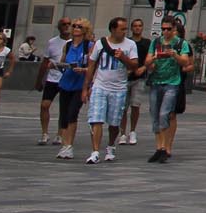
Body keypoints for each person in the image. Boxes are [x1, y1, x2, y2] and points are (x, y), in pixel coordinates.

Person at [82, 17, 139, 164]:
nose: (125, 31)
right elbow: (91, 66)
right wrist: (86, 88)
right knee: (96, 119)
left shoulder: (130, 44)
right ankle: (95, 151)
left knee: (114, 123)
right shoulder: (100, 44)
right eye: (122, 29)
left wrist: (123, 58)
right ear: (113, 29)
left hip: (119, 88)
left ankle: (111, 145)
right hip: (100, 86)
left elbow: (134, 66)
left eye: (126, 29)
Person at [140, 17, 193, 163]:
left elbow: (186, 62)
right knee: (155, 115)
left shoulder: (181, 43)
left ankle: (165, 147)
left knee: (165, 113)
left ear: (174, 29)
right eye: (163, 29)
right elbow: (146, 62)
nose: (165, 32)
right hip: (156, 81)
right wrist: (155, 58)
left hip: (172, 82)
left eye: (168, 29)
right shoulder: (156, 42)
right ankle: (159, 147)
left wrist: (173, 54)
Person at [53, 19, 94, 160]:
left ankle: (69, 145)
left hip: (80, 84)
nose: (76, 28)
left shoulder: (89, 45)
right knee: (63, 115)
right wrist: (58, 65)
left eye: (79, 26)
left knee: (72, 113)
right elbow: (63, 61)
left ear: (85, 30)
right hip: (66, 82)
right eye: (74, 26)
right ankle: (64, 145)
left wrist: (84, 70)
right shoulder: (68, 44)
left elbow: (93, 66)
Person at [38, 17, 72, 145]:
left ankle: (60, 134)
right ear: (59, 27)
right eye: (64, 24)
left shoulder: (73, 43)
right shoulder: (52, 42)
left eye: (69, 24)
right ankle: (44, 133)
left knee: (64, 108)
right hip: (52, 79)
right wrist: (39, 80)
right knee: (44, 105)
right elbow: (45, 62)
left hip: (66, 78)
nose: (66, 26)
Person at [121, 17, 147, 145]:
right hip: (125, 77)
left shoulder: (146, 43)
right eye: (135, 26)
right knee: (123, 107)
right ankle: (122, 133)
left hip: (139, 78)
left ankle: (132, 131)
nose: (137, 28)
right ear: (131, 28)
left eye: (139, 25)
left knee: (135, 105)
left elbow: (150, 58)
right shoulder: (127, 42)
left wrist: (143, 68)